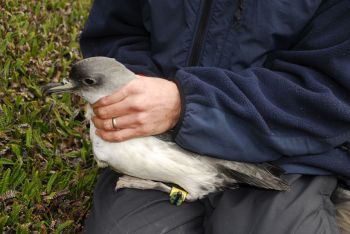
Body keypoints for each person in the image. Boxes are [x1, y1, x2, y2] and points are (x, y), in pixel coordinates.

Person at [79, 0, 350, 233]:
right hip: (162, 143)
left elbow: (333, 88)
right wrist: (135, 92)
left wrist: (185, 104)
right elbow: (116, 32)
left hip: (291, 148)